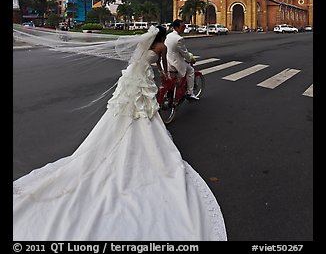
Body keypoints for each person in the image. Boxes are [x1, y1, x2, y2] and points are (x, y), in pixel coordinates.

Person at [13, 25, 227, 241]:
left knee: (126, 107)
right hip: (143, 77)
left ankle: (124, 130)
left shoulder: (146, 44)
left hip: (134, 74)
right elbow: (162, 67)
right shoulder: (161, 47)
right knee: (144, 107)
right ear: (161, 37)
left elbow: (133, 56)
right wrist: (162, 75)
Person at [165, 19, 199, 100]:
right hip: (175, 64)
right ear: (176, 27)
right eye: (183, 26)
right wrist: (190, 59)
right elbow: (185, 53)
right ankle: (190, 93)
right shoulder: (179, 39)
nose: (184, 28)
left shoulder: (169, 35)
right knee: (190, 70)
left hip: (167, 62)